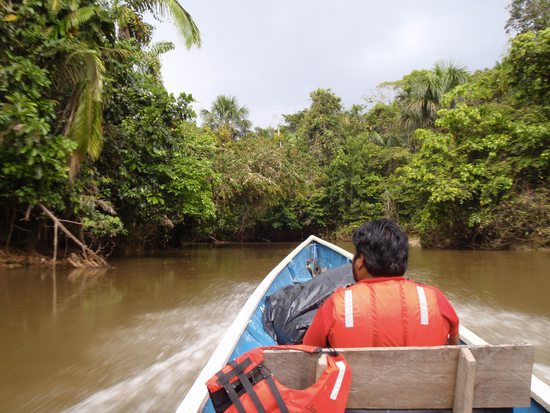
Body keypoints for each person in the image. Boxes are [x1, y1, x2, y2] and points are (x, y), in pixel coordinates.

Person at [303, 218, 459, 348]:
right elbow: (454, 347)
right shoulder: (436, 299)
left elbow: (308, 350)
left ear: (360, 261)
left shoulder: (337, 303)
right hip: (427, 385)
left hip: (355, 385)